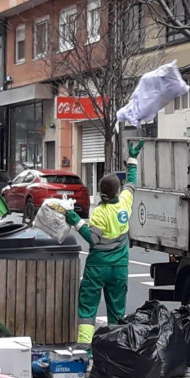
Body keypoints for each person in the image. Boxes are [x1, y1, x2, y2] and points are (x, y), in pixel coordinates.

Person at [52, 140, 143, 346]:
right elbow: (131, 183)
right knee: (117, 310)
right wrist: (132, 159)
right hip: (119, 267)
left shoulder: (99, 213)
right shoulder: (125, 203)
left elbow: (92, 238)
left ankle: (85, 347)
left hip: (97, 268)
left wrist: (76, 221)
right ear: (117, 191)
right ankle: (115, 347)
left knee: (87, 308)